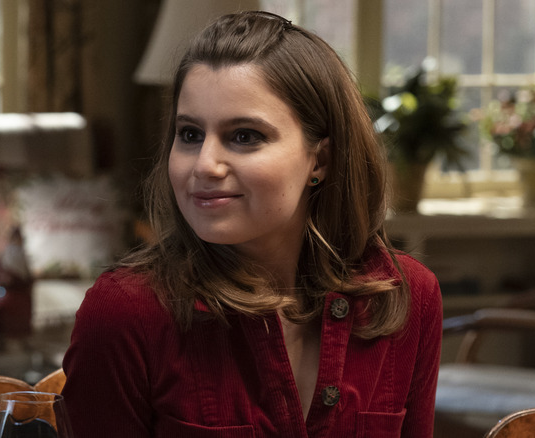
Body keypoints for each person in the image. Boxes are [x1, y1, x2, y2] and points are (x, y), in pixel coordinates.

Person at [62, 10, 442, 437]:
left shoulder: (409, 297)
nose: (204, 165)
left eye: (244, 136)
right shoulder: (124, 313)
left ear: (320, 160)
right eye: (190, 134)